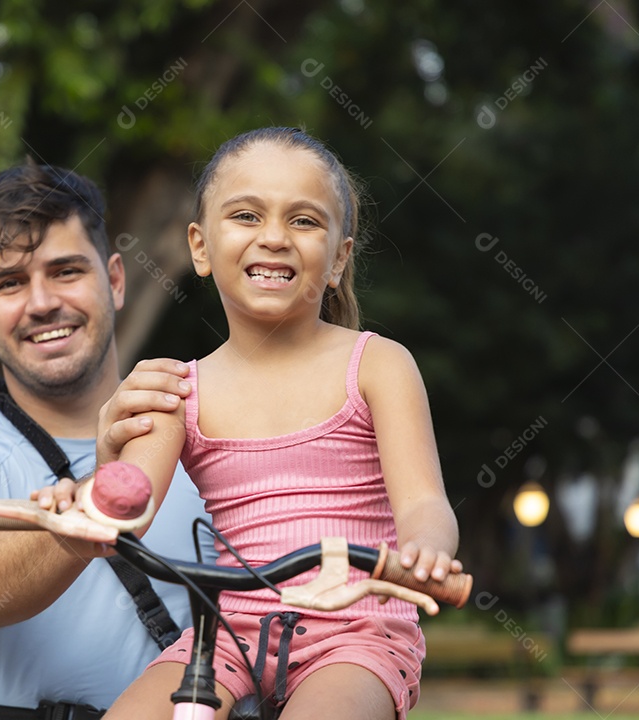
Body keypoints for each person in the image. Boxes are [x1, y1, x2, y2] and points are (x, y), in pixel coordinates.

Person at [96, 127, 463, 720]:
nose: (273, 238)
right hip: (228, 632)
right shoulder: (177, 390)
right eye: (246, 215)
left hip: (358, 629)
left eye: (304, 221)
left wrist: (425, 552)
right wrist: (92, 495)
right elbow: (124, 509)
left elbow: (424, 501)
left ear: (340, 256)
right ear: (200, 247)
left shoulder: (376, 364)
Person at [0, 160, 216, 720]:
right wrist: (103, 499)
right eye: (10, 283)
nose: (41, 303)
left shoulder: (211, 437)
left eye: (65, 271)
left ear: (116, 281)